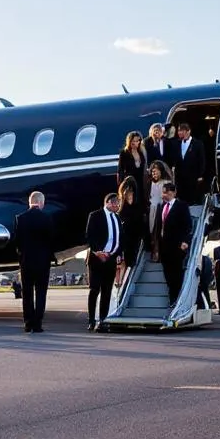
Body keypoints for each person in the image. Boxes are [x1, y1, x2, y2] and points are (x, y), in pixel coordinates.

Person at [14, 191, 55, 333]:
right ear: (41, 202)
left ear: (30, 202)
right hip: (43, 262)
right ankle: (38, 323)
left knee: (27, 293)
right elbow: (51, 241)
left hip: (26, 261)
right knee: (41, 293)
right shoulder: (47, 218)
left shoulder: (20, 218)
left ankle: (28, 322)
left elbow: (17, 242)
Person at [85, 192, 122, 331]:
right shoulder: (95, 216)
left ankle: (103, 319)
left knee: (107, 291)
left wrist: (117, 254)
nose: (117, 205)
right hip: (96, 258)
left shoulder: (117, 219)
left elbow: (120, 239)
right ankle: (91, 320)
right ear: (108, 203)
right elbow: (89, 235)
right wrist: (97, 251)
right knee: (95, 290)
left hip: (111, 259)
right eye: (116, 203)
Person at [155, 182, 193, 305]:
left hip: (177, 245)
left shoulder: (181, 206)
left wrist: (185, 241)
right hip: (164, 246)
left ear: (173, 192)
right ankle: (173, 294)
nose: (164, 194)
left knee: (176, 272)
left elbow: (187, 225)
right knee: (167, 272)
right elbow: (158, 227)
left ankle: (175, 297)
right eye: (163, 192)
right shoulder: (161, 207)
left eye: (167, 192)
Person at [116, 178, 146, 287]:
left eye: (130, 192)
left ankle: (122, 282)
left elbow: (141, 223)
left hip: (134, 236)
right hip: (125, 237)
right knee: (123, 262)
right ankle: (119, 283)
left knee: (129, 261)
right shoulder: (122, 206)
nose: (128, 195)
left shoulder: (138, 205)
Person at [117, 131, 147, 203]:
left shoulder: (141, 152)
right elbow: (120, 169)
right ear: (129, 141)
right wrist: (122, 184)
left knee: (140, 200)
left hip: (140, 181)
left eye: (138, 141)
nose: (136, 143)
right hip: (129, 182)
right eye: (134, 141)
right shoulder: (124, 153)